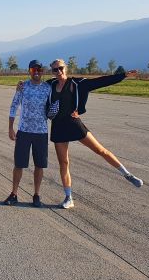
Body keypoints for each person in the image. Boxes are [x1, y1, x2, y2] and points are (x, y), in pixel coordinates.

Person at [46, 59, 143, 209]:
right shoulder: (50, 85)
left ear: (66, 68)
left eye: (60, 68)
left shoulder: (77, 83)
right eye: (54, 70)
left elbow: (101, 81)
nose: (58, 72)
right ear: (52, 72)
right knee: (64, 163)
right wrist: (21, 86)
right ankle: (68, 197)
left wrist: (122, 75)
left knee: (100, 150)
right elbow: (34, 87)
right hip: (58, 127)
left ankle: (127, 174)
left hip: (73, 124)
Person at [4, 60, 53, 207]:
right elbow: (14, 106)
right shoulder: (23, 87)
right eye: (33, 70)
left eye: (39, 70)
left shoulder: (48, 88)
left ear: (43, 71)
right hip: (24, 131)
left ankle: (36, 195)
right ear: (29, 71)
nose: (36, 72)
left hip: (41, 132)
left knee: (40, 165)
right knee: (19, 164)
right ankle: (14, 194)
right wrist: (11, 128)